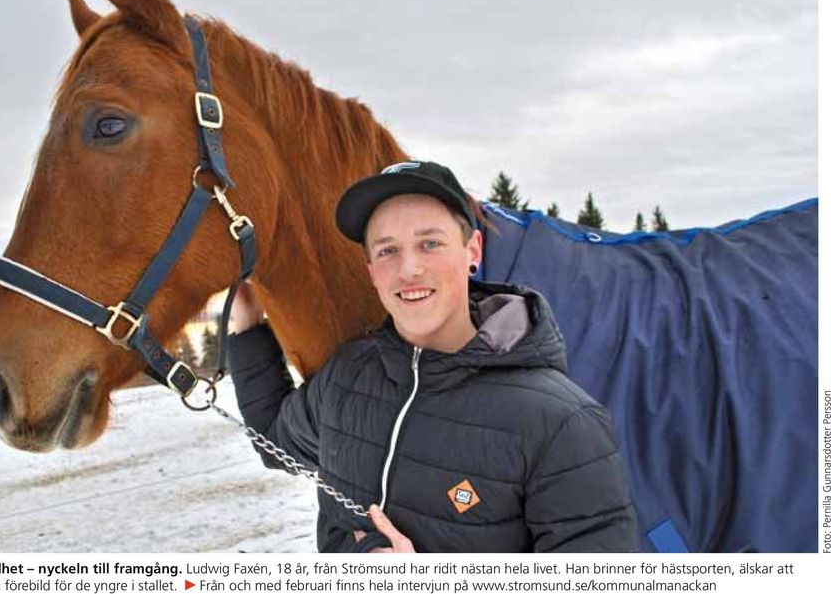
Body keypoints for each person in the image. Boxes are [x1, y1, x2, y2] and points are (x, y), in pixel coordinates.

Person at [227, 161, 639, 553]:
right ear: (370, 268)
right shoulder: (348, 377)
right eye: (388, 251)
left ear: (472, 250)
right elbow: (274, 442)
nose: (409, 269)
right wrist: (245, 327)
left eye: (430, 243)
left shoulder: (561, 423)